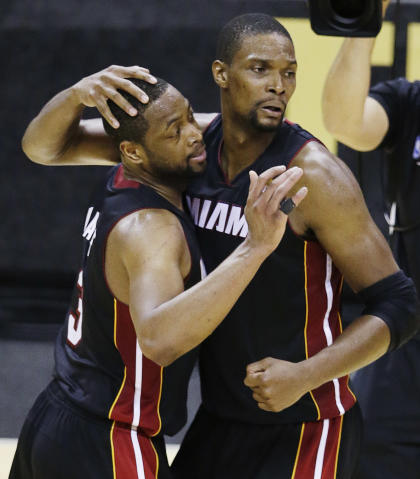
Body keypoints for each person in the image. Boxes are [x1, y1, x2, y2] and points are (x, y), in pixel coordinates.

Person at [21, 13, 419, 479]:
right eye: (260, 69)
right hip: (220, 416)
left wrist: (307, 375)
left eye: (288, 72)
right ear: (221, 75)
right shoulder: (190, 148)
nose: (278, 85)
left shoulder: (312, 175)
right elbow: (46, 148)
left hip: (302, 423)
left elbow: (400, 305)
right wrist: (77, 94)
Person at [12, 75, 307, 479]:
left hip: (55, 419)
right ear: (133, 151)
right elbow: (160, 340)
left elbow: (39, 146)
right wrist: (255, 246)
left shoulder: (123, 175)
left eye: (190, 117)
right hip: (110, 437)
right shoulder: (153, 229)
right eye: (175, 131)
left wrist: (76, 94)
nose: (194, 135)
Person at [322, 1, 420, 477]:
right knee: (373, 453)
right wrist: (365, 22)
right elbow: (345, 122)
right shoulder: (409, 102)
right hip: (408, 342)